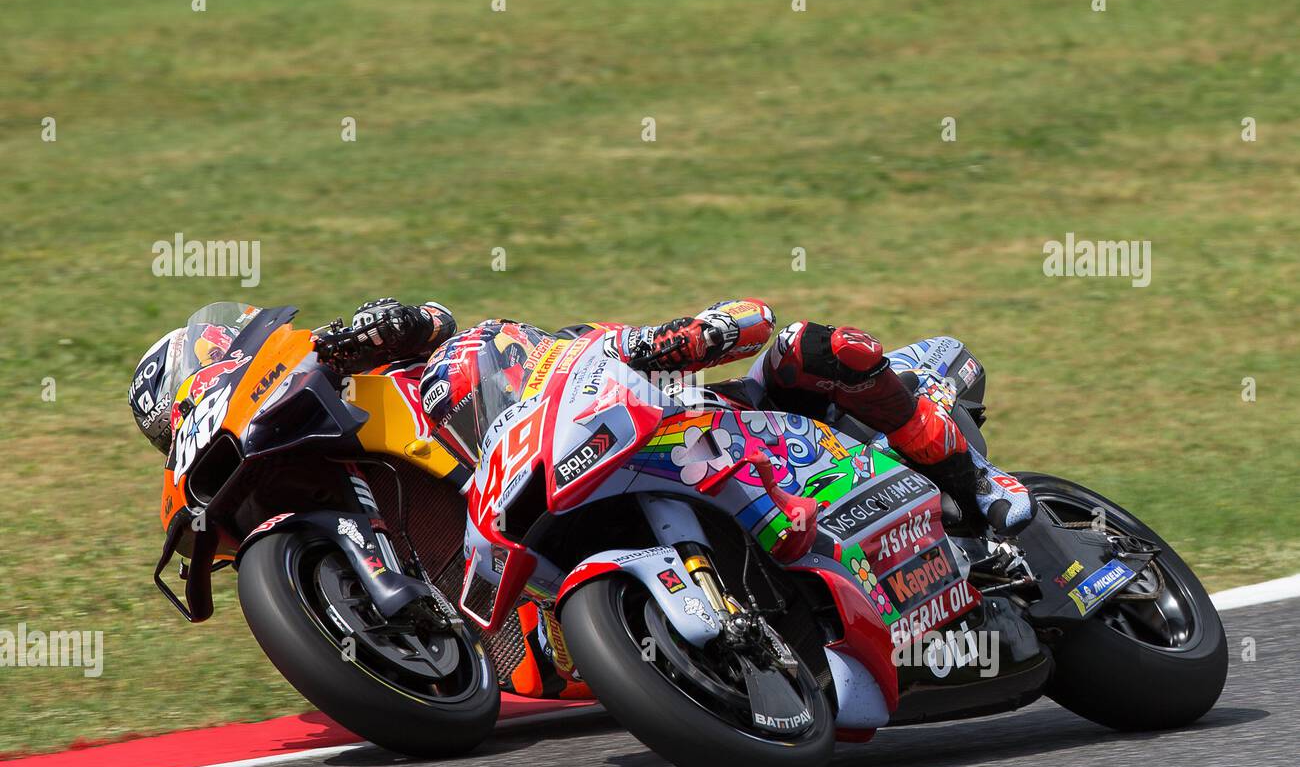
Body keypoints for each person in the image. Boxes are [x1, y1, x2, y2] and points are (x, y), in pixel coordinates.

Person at [129, 297, 1035, 531]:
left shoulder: (357, 374)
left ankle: (976, 484)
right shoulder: (268, 512)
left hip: (647, 408)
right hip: (549, 528)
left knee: (811, 348)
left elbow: (438, 321)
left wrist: (370, 331)